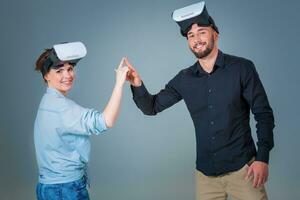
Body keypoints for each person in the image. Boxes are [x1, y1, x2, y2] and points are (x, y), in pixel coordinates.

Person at [125, 1, 274, 199]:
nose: (197, 39)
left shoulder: (242, 68)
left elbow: (263, 115)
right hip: (206, 176)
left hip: (244, 171)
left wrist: (262, 158)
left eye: (202, 32)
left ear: (215, 34)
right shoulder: (184, 78)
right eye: (191, 36)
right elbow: (151, 107)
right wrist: (136, 82)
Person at [34, 42, 129, 200]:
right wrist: (119, 82)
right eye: (59, 71)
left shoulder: (47, 102)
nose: (68, 75)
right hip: (65, 189)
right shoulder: (61, 107)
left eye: (70, 69)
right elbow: (105, 121)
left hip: (47, 187)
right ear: (46, 76)